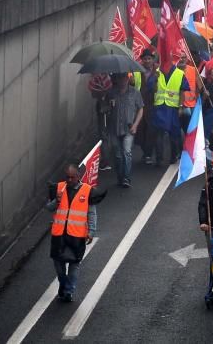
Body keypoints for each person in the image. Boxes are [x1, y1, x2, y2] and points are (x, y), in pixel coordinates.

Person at [47, 164, 105, 303]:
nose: (70, 180)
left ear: (78, 177)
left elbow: (92, 213)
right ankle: (64, 283)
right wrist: (57, 201)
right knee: (58, 263)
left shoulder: (87, 191)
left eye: (72, 177)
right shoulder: (58, 188)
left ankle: (68, 291)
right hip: (59, 234)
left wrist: (91, 231)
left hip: (77, 235)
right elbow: (49, 208)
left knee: (74, 263)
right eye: (67, 177)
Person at [152, 53, 191, 166]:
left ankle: (173, 156)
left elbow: (182, 92)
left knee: (174, 134)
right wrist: (155, 79)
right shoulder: (157, 72)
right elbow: (153, 89)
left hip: (173, 108)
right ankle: (159, 158)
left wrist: (180, 107)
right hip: (160, 106)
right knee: (159, 133)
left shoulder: (179, 73)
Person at [109, 73, 145, 187]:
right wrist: (107, 104)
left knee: (127, 152)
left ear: (128, 79)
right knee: (118, 155)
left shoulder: (135, 92)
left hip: (128, 128)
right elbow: (105, 108)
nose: (122, 80)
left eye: (124, 77)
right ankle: (120, 176)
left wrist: (135, 125)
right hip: (114, 128)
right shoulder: (112, 93)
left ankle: (126, 178)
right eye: (120, 77)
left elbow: (140, 109)